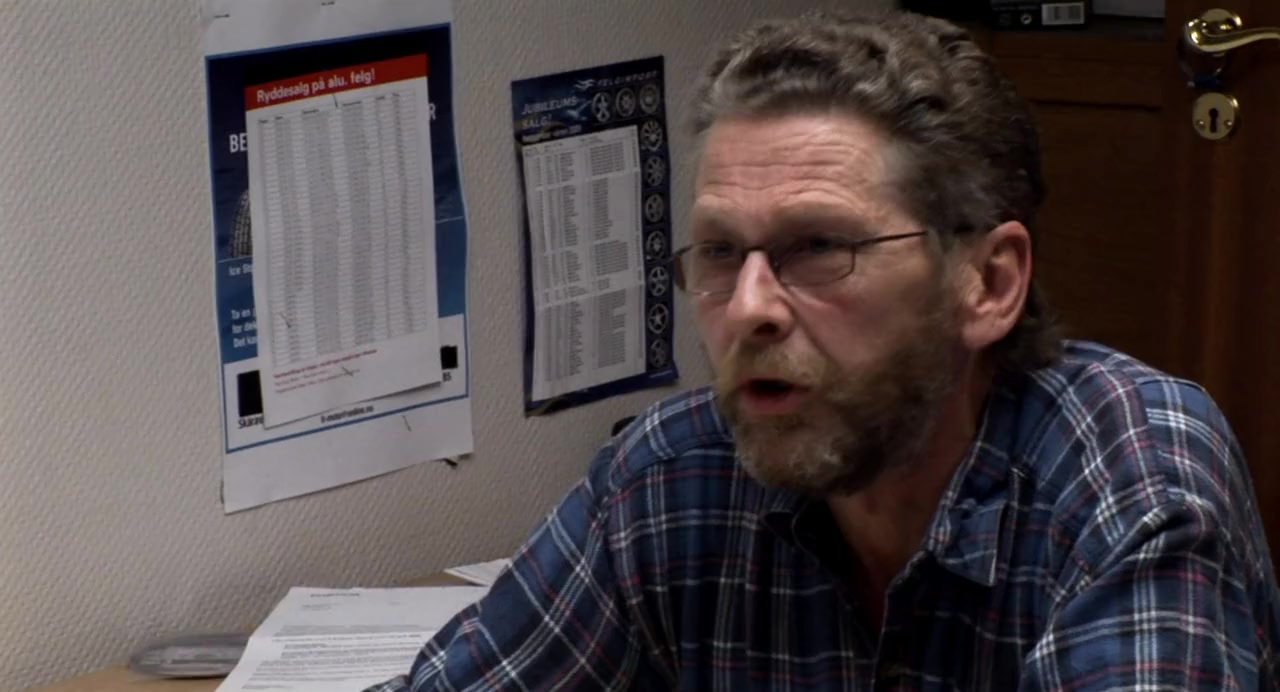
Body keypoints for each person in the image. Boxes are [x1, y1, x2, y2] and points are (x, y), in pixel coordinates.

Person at [368, 9, 1280, 690]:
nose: (749, 308)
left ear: (989, 283)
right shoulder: (669, 481)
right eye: (720, 252)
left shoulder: (1133, 481)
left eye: (817, 247)